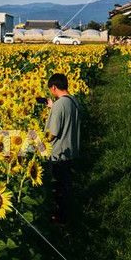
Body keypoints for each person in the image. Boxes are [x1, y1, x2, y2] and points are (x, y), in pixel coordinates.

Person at [45, 73, 81, 226]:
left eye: (50, 89)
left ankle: (61, 219)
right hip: (72, 149)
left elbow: (52, 134)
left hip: (59, 153)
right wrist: (53, 107)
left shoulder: (59, 105)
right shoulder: (73, 100)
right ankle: (66, 215)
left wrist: (39, 143)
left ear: (54, 87)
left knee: (58, 189)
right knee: (66, 185)